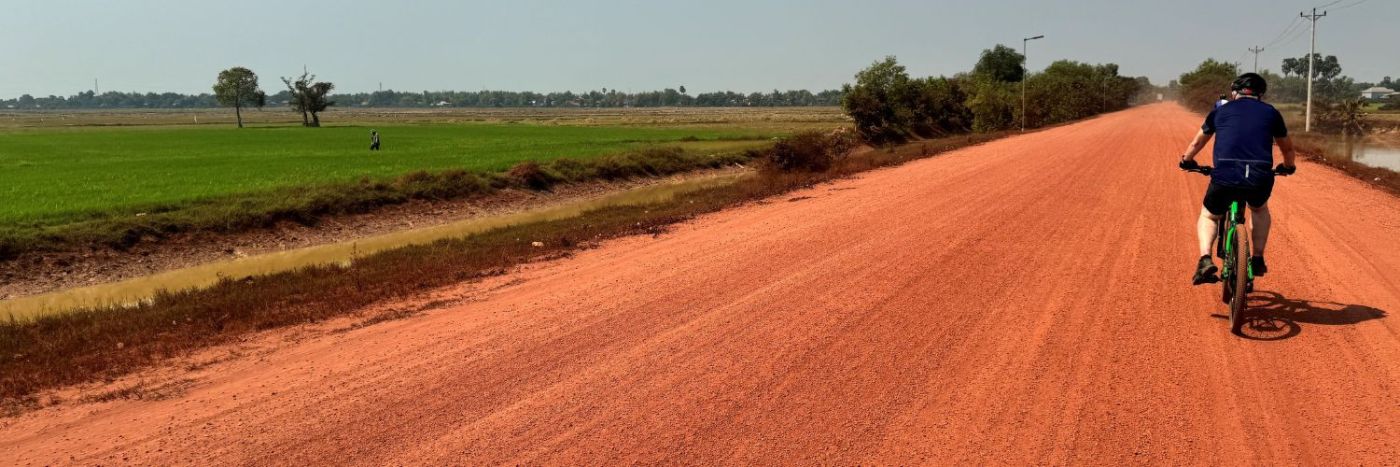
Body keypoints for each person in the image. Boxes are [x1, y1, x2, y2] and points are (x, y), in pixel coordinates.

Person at [1178, 73, 1297, 285]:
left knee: (1210, 216)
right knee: (1259, 209)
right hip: (1259, 177)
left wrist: (1187, 160)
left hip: (1225, 175)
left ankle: (1205, 259)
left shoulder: (1220, 111)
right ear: (1260, 94)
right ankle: (1258, 258)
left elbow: (1197, 143)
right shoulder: (1271, 113)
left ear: (1235, 92)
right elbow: (1287, 147)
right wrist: (1288, 167)